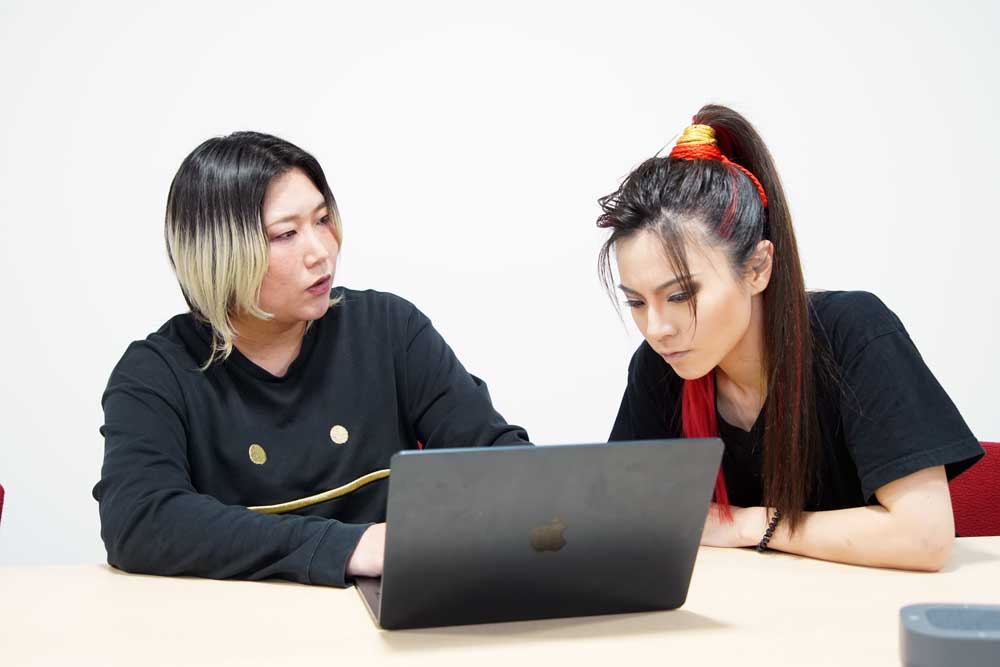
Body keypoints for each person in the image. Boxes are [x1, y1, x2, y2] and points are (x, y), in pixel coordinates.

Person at [94, 131, 528, 587]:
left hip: (386, 615)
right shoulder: (156, 372)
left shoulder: (388, 328)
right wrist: (351, 546)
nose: (321, 252)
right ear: (218, 252)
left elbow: (495, 458)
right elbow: (139, 520)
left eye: (322, 220)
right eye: (286, 234)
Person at [598, 105, 983, 571]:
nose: (658, 328)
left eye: (680, 295)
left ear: (758, 267)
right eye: (637, 302)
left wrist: (747, 524)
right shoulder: (659, 368)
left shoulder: (853, 332)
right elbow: (621, 514)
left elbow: (924, 536)